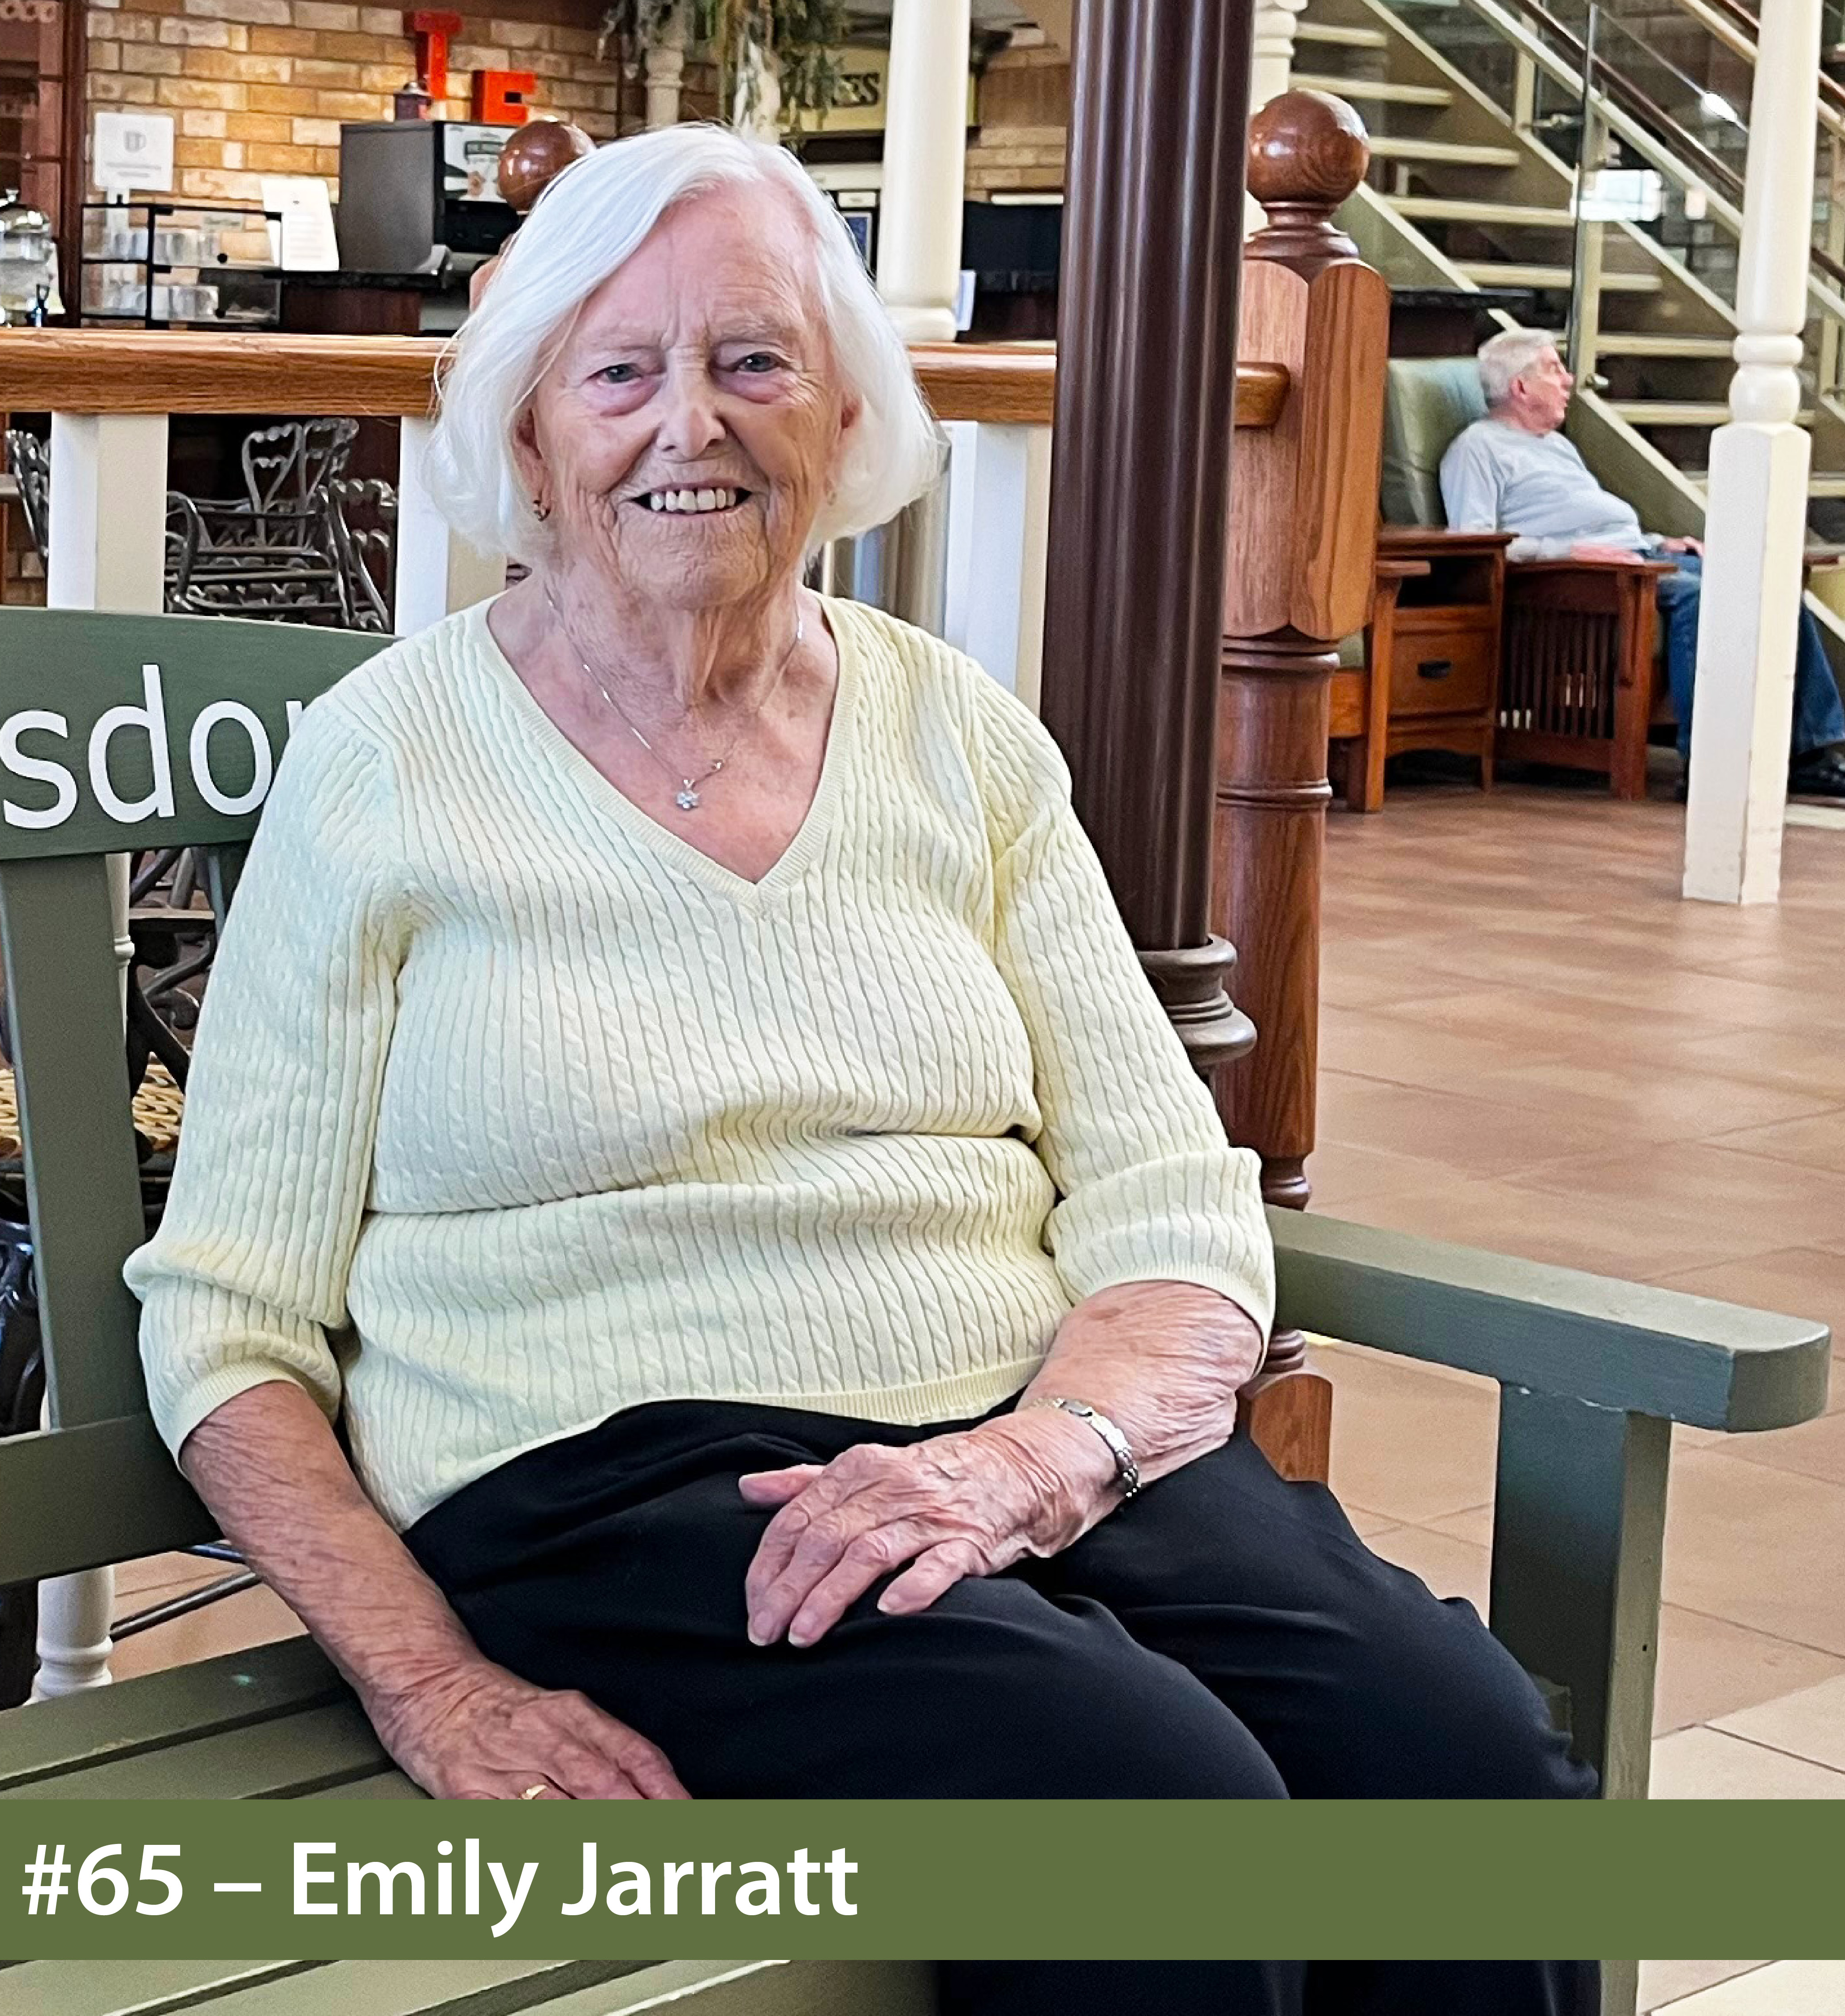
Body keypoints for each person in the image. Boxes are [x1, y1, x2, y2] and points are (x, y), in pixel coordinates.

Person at [126, 124, 1592, 2016]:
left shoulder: (953, 733)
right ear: (528, 442)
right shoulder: (386, 762)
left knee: (1457, 1760)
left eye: (753, 362)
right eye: (619, 372)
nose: (690, 426)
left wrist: (1039, 1456)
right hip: (611, 1491)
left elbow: (1162, 1199)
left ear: (839, 424)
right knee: (1157, 1822)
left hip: (1026, 1428)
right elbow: (227, 1316)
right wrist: (429, 1678)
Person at [1444, 326, 1845, 797]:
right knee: (1701, 597)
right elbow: (1474, 541)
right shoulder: (1477, 448)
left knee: (1769, 584)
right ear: (1519, 387)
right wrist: (1565, 552)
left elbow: (1597, 520)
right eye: (1554, 370)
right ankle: (1706, 763)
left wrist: (1661, 541)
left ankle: (1808, 752)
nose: (1569, 380)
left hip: (1636, 556)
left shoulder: (1554, 445)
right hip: (1579, 579)